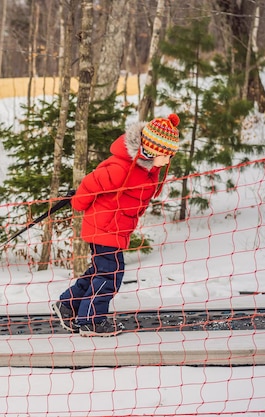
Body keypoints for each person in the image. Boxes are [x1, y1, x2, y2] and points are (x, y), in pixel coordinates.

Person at [52, 114, 180, 337]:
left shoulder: (146, 170)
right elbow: (91, 183)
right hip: (104, 228)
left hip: (114, 228)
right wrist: (77, 203)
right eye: (165, 155)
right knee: (111, 275)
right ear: (150, 151)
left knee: (100, 271)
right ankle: (91, 320)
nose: (167, 160)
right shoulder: (121, 168)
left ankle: (68, 305)